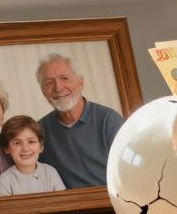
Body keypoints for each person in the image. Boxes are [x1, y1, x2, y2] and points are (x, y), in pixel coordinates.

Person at [35, 53, 124, 189]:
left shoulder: (108, 120)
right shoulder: (39, 130)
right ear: (43, 91)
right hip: (67, 206)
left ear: (80, 82)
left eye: (64, 78)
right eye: (49, 83)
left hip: (110, 202)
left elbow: (129, 172)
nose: (58, 88)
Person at [0, 115, 66, 196]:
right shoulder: (5, 180)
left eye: (31, 142)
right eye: (17, 143)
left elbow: (62, 202)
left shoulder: (50, 173)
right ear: (6, 148)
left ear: (41, 146)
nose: (25, 148)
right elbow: (4, 208)